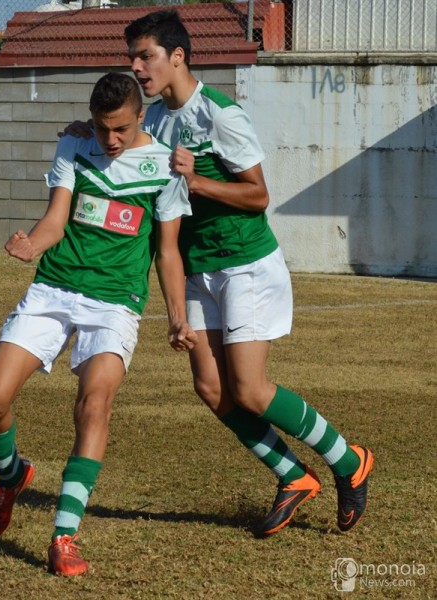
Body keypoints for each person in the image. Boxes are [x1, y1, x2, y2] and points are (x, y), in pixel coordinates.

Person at [120, 9, 374, 537]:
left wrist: (199, 180)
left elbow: (258, 196)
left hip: (245, 265)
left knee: (251, 391)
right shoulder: (156, 121)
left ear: (177, 57)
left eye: (146, 56)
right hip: (199, 271)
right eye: (133, 58)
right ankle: (292, 475)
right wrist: (91, 132)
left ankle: (349, 460)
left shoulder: (220, 114)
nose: (138, 67)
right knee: (213, 390)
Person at [0, 72, 196, 577]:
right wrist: (32, 244)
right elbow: (56, 220)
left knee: (94, 403)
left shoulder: (164, 167)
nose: (110, 140)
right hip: (53, 289)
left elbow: (166, 251)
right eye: (102, 128)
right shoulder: (76, 145)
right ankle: (11, 477)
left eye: (120, 129)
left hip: (115, 302)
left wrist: (177, 317)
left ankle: (64, 536)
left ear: (142, 117)